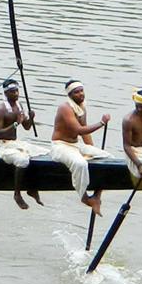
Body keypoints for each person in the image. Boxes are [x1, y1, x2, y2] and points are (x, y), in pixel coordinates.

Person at [50, 80, 111, 215]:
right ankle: (85, 198)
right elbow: (79, 130)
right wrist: (101, 123)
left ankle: (97, 196)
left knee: (106, 158)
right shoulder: (65, 108)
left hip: (75, 145)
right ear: (70, 94)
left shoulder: (81, 107)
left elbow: (85, 132)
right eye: (76, 92)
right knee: (80, 163)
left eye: (81, 90)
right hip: (60, 146)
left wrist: (93, 151)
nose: (81, 94)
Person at [0, 79, 48, 209]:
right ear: (6, 93)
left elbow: (27, 127)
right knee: (22, 160)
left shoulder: (20, 106)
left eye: (17, 91)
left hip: (15, 143)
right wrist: (15, 123)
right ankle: (17, 194)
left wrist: (31, 118)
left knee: (42, 153)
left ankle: (32, 188)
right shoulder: (1, 109)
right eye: (12, 91)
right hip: (3, 144)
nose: (16, 94)